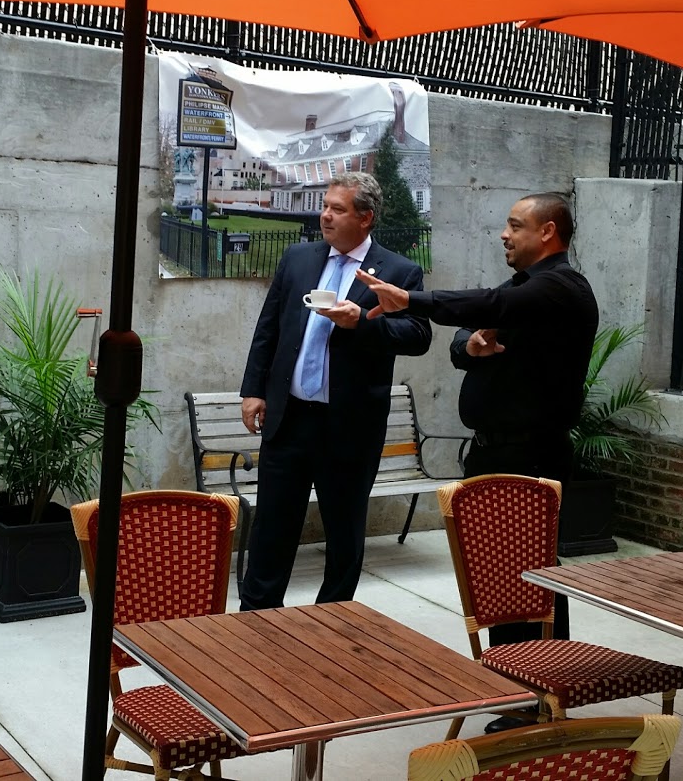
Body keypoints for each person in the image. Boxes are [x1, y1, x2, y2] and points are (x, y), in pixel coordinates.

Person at [357, 192, 597, 730]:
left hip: (530, 453)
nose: (504, 234)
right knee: (497, 576)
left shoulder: (559, 287)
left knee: (531, 580)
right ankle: (514, 686)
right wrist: (470, 348)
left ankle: (539, 695)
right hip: (493, 451)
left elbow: (487, 306)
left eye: (515, 225)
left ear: (549, 232)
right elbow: (466, 334)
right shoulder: (524, 287)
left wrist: (411, 300)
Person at [239, 172, 431, 610]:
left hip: (347, 427)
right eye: (325, 206)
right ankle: (255, 622)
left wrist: (362, 323)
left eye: (337, 209)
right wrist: (253, 390)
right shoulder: (298, 258)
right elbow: (268, 328)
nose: (325, 215)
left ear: (365, 218)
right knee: (271, 529)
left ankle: (331, 624)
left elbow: (417, 336)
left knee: (343, 533)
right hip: (288, 420)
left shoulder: (399, 271)